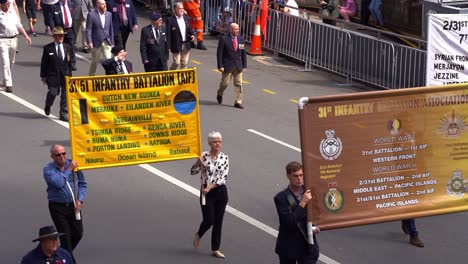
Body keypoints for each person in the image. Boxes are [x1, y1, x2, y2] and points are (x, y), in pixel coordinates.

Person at [43, 144, 87, 262]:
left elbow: (82, 184)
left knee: (78, 234)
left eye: (64, 154)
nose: (62, 157)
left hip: (74, 207)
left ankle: (59, 255)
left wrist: (80, 200)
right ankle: (68, 260)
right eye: (58, 155)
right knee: (65, 238)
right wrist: (69, 170)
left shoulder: (73, 164)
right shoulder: (48, 169)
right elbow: (58, 183)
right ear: (52, 156)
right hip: (58, 208)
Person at [191, 131, 229, 259]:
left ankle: (215, 249)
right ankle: (199, 234)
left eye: (219, 141)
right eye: (215, 142)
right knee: (209, 219)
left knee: (218, 221)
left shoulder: (225, 158)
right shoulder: (203, 156)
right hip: (204, 193)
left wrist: (210, 187)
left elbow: (222, 178)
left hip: (220, 192)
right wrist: (198, 163)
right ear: (209, 143)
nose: (217, 144)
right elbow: (193, 172)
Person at [274, 161, 320, 264]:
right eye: (295, 176)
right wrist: (303, 202)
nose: (299, 179)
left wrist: (314, 226)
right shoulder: (281, 198)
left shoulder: (311, 193)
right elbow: (289, 222)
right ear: (288, 176)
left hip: (307, 246)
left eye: (301, 175)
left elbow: (316, 214)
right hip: (289, 247)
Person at [40, 26, 73, 121]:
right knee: (53, 92)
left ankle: (63, 113)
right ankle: (48, 104)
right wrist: (43, 75)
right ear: (54, 37)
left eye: (62, 35)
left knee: (65, 94)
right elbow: (44, 63)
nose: (61, 37)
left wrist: (70, 73)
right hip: (52, 75)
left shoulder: (67, 47)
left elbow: (70, 61)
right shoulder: (48, 48)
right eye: (59, 36)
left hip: (65, 74)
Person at [0, 0, 32, 93]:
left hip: (13, 40)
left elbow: (19, 25)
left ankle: (4, 80)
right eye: (7, 4)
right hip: (2, 41)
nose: (9, 5)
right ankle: (8, 84)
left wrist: (26, 36)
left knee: (11, 61)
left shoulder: (12, 13)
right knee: (5, 62)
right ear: (1, 4)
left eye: (9, 3)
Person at [216, 23, 247, 109]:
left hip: (238, 65)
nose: (237, 31)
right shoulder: (224, 39)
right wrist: (220, 65)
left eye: (238, 29)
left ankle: (238, 101)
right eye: (236, 29)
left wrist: (244, 65)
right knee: (225, 83)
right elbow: (219, 54)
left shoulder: (241, 39)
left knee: (238, 84)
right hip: (227, 65)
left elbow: (243, 54)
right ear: (231, 29)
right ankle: (220, 93)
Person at [86, 0, 113, 76]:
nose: (105, 5)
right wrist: (90, 41)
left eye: (105, 4)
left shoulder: (109, 14)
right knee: (95, 61)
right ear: (97, 5)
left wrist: (112, 41)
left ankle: (109, 76)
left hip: (107, 41)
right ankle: (91, 75)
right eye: (102, 4)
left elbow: (111, 28)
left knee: (109, 59)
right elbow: (88, 29)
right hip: (96, 41)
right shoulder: (91, 15)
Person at [166, 2, 195, 70]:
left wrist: (192, 34)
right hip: (176, 44)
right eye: (180, 8)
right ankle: (171, 74)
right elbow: (168, 34)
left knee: (184, 62)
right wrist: (168, 46)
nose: (182, 10)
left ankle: (182, 77)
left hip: (185, 43)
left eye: (182, 8)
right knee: (176, 62)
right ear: (175, 9)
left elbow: (189, 28)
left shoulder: (186, 18)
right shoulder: (170, 20)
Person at [51, 0, 77, 71]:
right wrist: (53, 29)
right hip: (60, 30)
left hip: (70, 29)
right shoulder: (54, 7)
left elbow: (73, 17)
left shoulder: (71, 4)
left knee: (71, 46)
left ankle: (72, 63)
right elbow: (51, 19)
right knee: (60, 46)